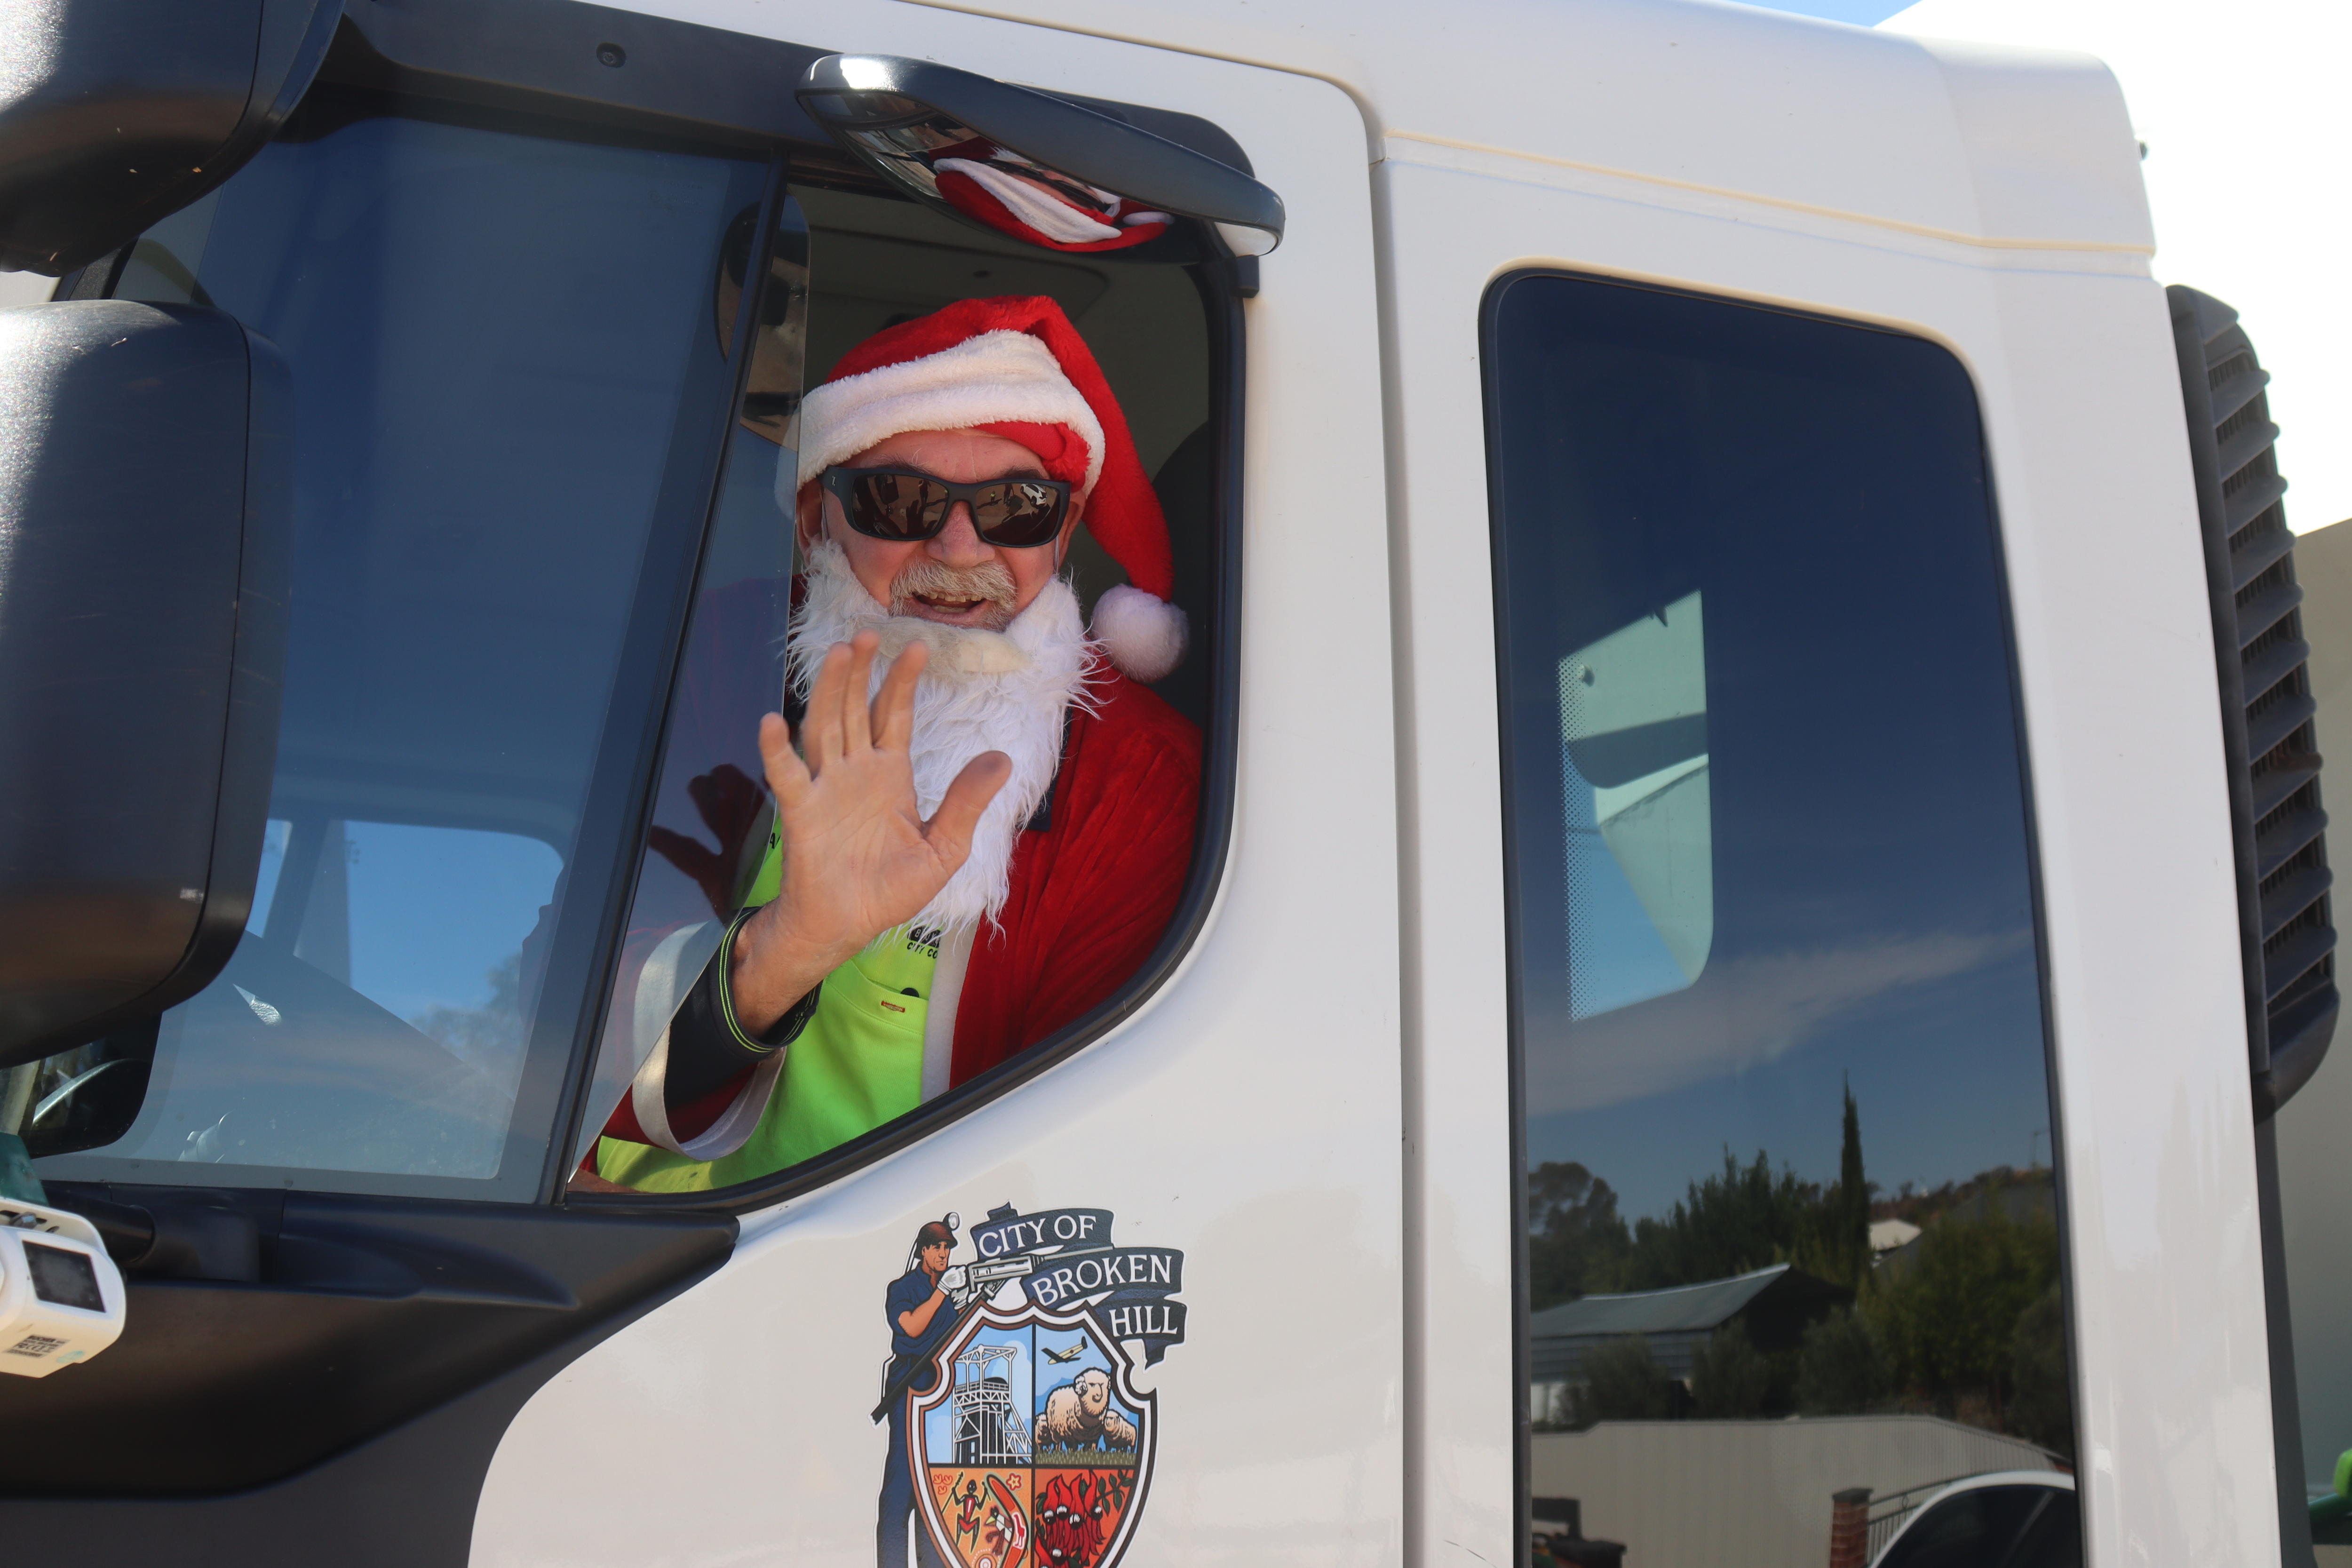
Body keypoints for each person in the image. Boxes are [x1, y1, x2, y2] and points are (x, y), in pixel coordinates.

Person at [587, 296, 1200, 1191]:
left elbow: (1084, 1161)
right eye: (900, 498)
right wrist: (785, 952)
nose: (958, 547)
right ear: (815, 518)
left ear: (1064, 530)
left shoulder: (1140, 780)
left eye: (1017, 506)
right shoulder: (716, 665)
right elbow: (545, 1043)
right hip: (634, 1261)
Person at [878, 1218, 968, 1568]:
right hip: (910, 1387)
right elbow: (912, 1327)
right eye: (938, 1247)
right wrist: (943, 1293)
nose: (944, 1254)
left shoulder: (942, 1291)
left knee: (934, 1487)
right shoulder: (902, 1288)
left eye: (948, 1247)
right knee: (902, 1482)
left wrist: (968, 1300)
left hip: (943, 1389)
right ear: (923, 1250)